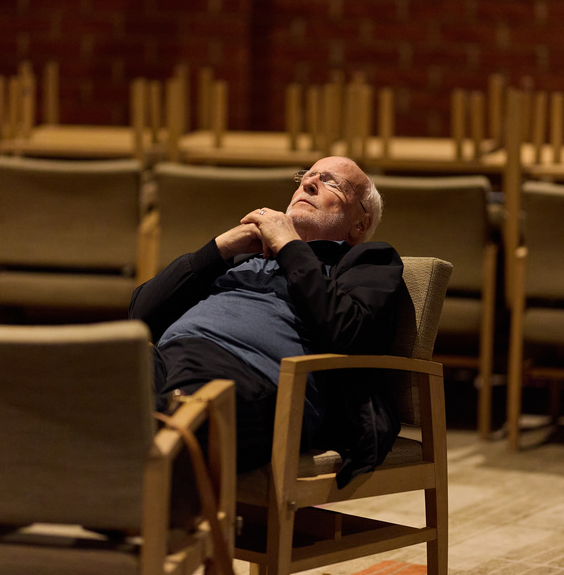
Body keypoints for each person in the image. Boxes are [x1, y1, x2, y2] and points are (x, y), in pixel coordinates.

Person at [129, 156, 404, 474]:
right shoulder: (243, 256)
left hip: (249, 376)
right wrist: (218, 249)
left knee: (152, 422)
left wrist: (289, 246)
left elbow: (347, 330)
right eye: (307, 176)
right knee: (90, 392)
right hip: (164, 359)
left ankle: (135, 508)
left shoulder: (368, 261)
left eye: (331, 181)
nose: (309, 183)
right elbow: (140, 315)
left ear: (360, 224)